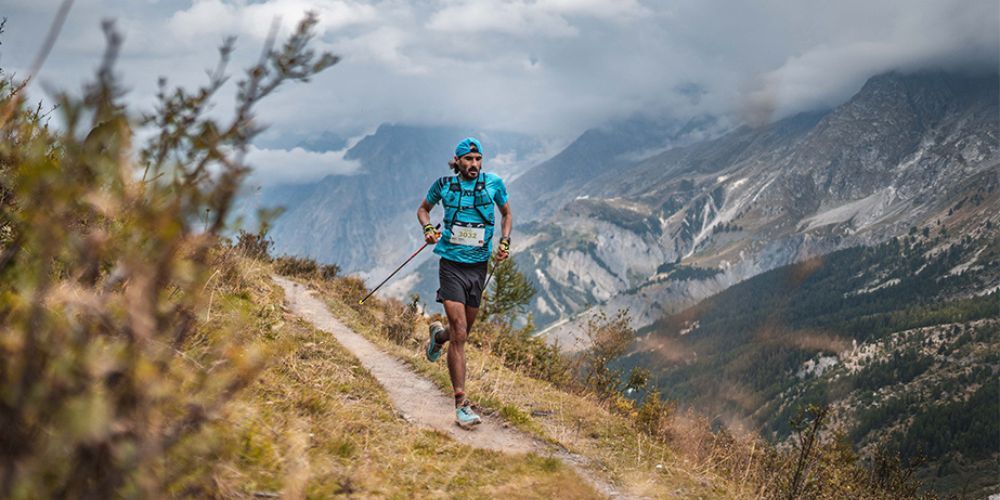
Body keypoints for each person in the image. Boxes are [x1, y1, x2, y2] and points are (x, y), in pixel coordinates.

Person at [416, 137, 512, 428]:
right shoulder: (443, 185)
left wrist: (505, 242)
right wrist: (429, 229)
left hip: (478, 268)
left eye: (478, 159)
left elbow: (507, 214)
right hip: (451, 266)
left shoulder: (494, 184)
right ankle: (461, 404)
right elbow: (423, 210)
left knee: (461, 333)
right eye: (468, 159)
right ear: (456, 161)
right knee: (460, 331)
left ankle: (438, 337)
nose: (474, 164)